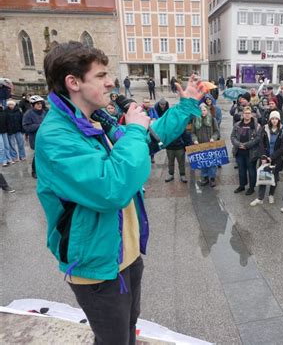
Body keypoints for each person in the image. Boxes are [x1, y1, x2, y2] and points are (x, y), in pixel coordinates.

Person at [35, 41, 202, 344]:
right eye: (100, 76)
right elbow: (112, 188)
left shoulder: (96, 120)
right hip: (97, 266)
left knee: (128, 327)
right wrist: (136, 130)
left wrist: (186, 106)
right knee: (113, 339)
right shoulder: (57, 136)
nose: (111, 81)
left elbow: (145, 143)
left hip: (126, 253)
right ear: (73, 83)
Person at [250, 110, 283, 206]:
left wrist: (272, 157)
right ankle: (260, 198)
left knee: (274, 178)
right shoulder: (264, 128)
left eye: (276, 119)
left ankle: (271, 194)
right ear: (270, 119)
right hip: (265, 157)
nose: (274, 121)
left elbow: (282, 147)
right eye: (272, 119)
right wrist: (263, 156)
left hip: (276, 158)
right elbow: (261, 143)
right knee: (263, 177)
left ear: (279, 120)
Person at [231, 106, 262, 195]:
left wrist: (247, 145)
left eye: (249, 113)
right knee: (241, 170)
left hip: (251, 152)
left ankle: (251, 187)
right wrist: (238, 144)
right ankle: (242, 185)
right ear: (243, 114)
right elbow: (232, 137)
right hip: (239, 151)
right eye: (245, 113)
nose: (247, 115)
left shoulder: (256, 125)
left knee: (251, 170)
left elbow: (258, 138)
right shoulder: (237, 125)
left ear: (251, 114)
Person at [192, 104, 220, 187]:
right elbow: (193, 133)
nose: (202, 112)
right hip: (200, 145)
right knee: (203, 162)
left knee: (212, 162)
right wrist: (195, 140)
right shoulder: (195, 119)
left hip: (210, 144)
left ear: (207, 110)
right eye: (201, 110)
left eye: (204, 110)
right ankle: (205, 177)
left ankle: (212, 178)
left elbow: (216, 131)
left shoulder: (212, 119)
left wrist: (213, 138)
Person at [22, 95, 46, 177]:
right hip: (35, 138)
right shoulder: (28, 114)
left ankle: (43, 170)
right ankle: (34, 171)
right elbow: (26, 127)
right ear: (32, 105)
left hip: (44, 137)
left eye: (40, 103)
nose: (40, 105)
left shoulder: (43, 112)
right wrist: (39, 125)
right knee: (37, 155)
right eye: (37, 104)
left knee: (45, 154)